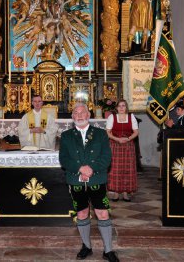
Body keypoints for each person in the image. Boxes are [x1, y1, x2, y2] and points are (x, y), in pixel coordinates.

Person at [59, 103, 119, 262]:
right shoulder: (66, 136)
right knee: (82, 213)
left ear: (88, 115)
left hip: (97, 180)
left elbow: (106, 158)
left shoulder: (100, 134)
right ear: (72, 117)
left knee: (103, 213)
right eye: (75, 113)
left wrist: (90, 169)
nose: (79, 115)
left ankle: (108, 250)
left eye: (82, 112)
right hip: (76, 181)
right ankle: (86, 246)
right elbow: (64, 159)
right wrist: (80, 169)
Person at [106, 99, 139, 202]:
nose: (121, 108)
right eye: (119, 106)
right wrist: (117, 139)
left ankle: (125, 193)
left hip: (128, 145)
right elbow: (108, 132)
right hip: (115, 145)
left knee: (127, 169)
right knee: (115, 169)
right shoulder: (112, 117)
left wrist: (128, 139)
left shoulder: (131, 117)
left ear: (126, 107)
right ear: (116, 108)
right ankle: (116, 193)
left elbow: (136, 132)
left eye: (123, 106)